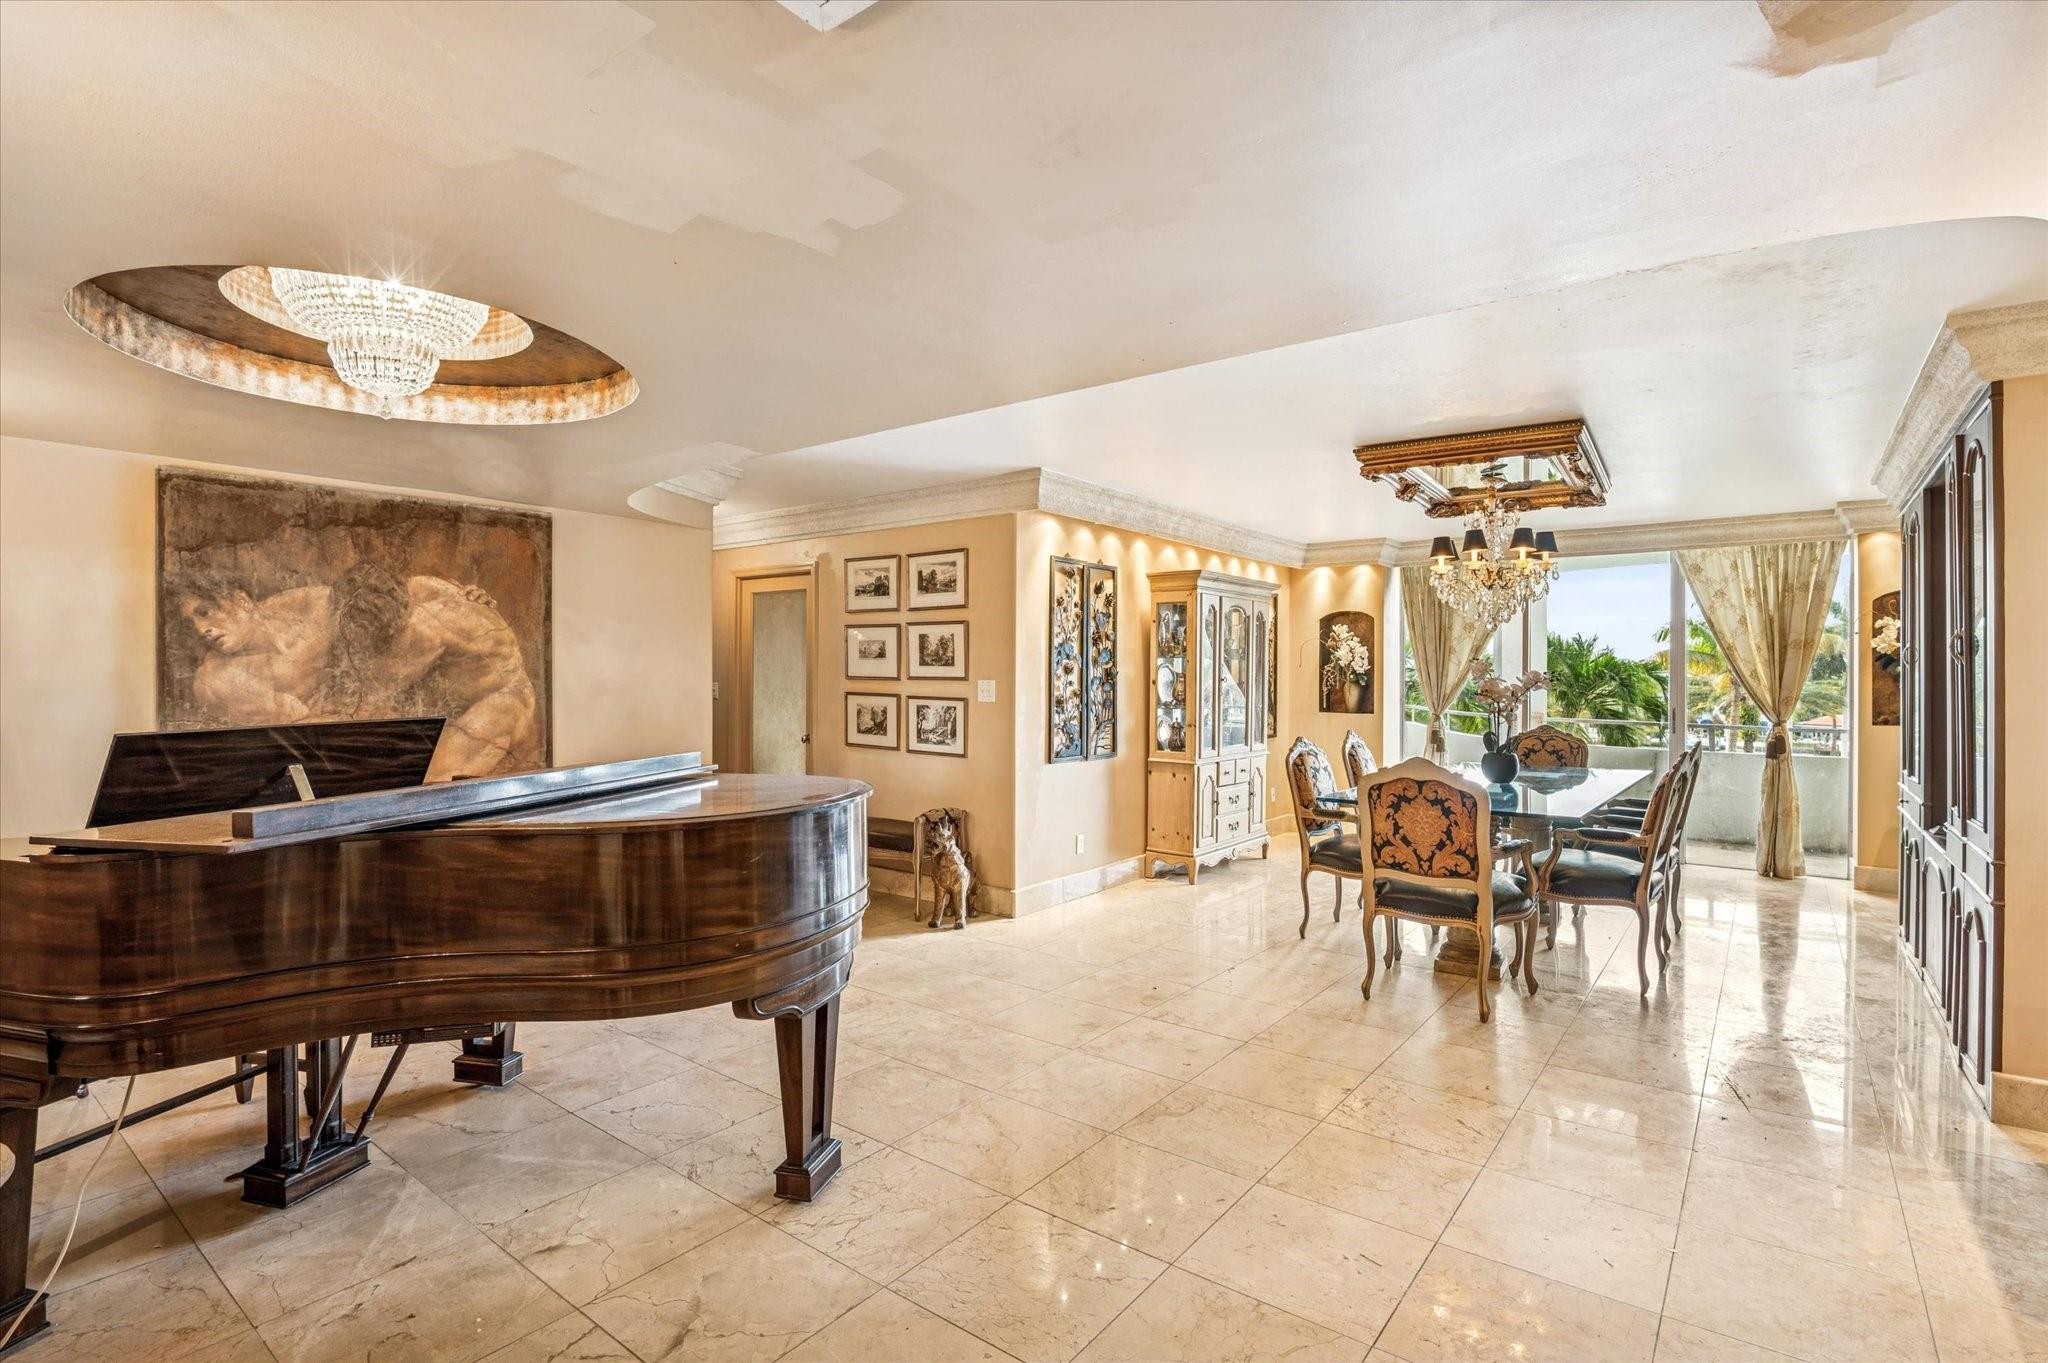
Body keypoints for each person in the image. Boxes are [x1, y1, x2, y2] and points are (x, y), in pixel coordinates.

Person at [178, 566, 537, 779]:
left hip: (487, 705)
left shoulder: (311, 605)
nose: (199, 629)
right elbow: (307, 735)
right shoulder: (220, 681)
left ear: (241, 600)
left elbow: (372, 698)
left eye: (206, 611)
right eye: (191, 621)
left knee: (437, 785)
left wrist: (470, 595)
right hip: (346, 742)